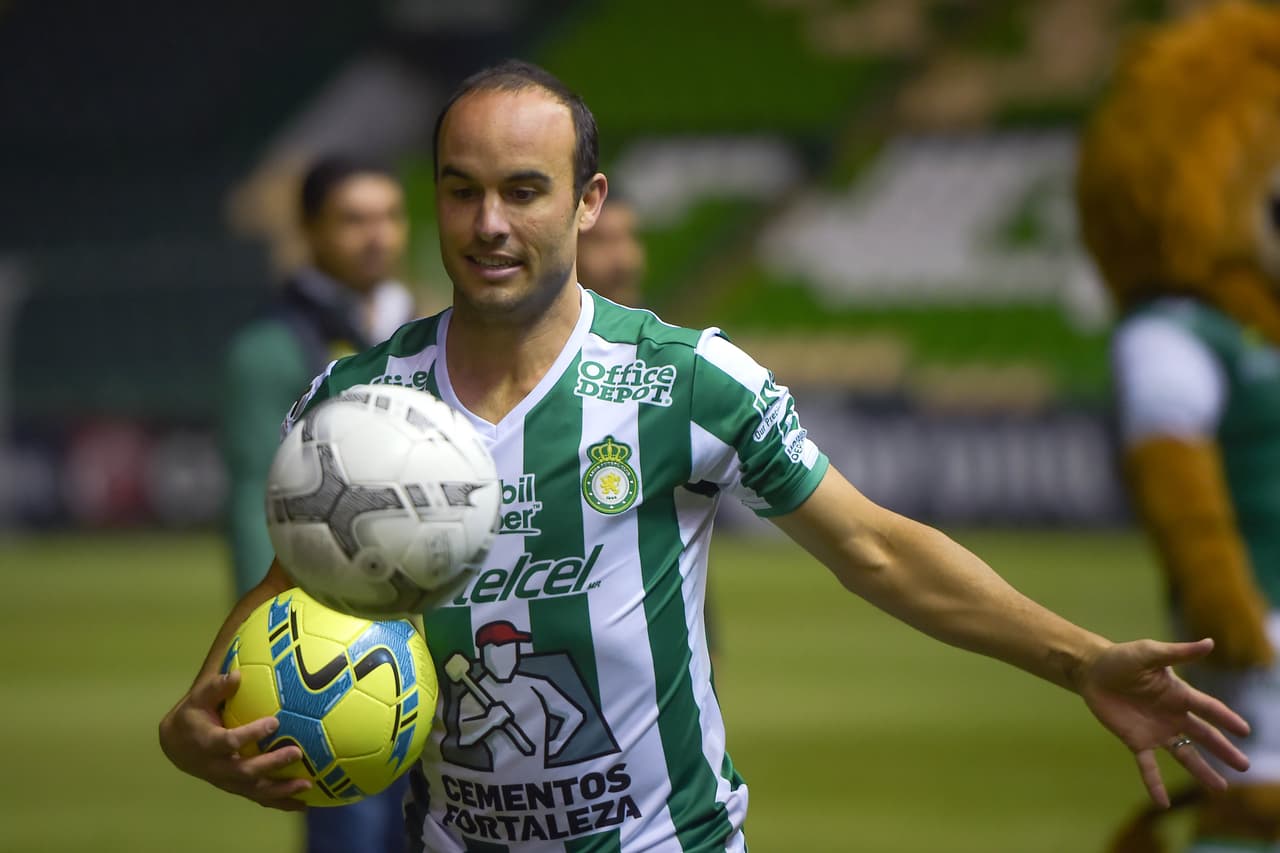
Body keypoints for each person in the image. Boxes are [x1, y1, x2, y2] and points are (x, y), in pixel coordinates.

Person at [166, 60, 1251, 852]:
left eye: (524, 190)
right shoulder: (356, 401)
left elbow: (874, 548)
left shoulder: (685, 378)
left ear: (588, 203)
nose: (488, 222)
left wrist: (1077, 660)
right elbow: (284, 597)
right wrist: (198, 721)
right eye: (462, 189)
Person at [1075, 4, 1280, 849]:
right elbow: (1174, 469)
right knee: (1255, 797)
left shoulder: (1257, 328)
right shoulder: (1171, 334)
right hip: (1257, 630)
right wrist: (1223, 596)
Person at [218, 155, 416, 853]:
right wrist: (256, 635)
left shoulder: (423, 328)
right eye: (354, 219)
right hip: (329, 648)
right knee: (354, 834)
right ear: (309, 230)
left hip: (433, 636)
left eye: (390, 216)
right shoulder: (271, 348)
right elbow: (253, 496)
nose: (378, 236)